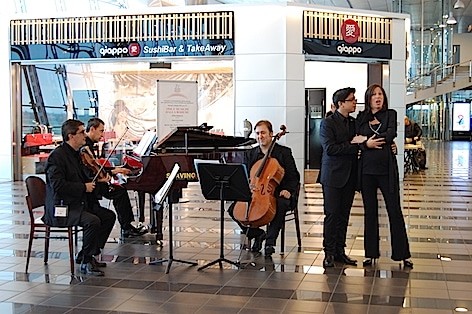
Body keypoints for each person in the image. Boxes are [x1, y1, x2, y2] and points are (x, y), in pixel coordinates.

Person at [43, 119, 116, 276]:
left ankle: (87, 253)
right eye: (82, 132)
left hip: (77, 203)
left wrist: (98, 181)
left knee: (108, 216)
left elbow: (84, 178)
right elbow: (58, 186)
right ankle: (86, 262)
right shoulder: (57, 157)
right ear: (71, 136)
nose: (85, 135)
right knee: (93, 221)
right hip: (61, 207)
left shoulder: (77, 154)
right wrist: (84, 187)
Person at [319, 87, 379, 268]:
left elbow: (364, 138)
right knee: (332, 215)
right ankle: (328, 252)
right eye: (352, 100)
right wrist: (356, 146)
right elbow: (330, 149)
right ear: (340, 104)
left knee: (344, 215)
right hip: (332, 177)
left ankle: (340, 251)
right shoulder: (327, 123)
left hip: (350, 176)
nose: (355, 102)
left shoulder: (353, 123)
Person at [356, 84, 413, 269]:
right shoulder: (361, 117)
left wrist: (368, 139)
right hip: (367, 171)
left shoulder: (391, 114)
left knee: (394, 210)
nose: (378, 97)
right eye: (374, 95)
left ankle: (402, 254)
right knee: (370, 212)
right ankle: (370, 253)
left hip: (387, 169)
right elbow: (357, 138)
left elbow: (391, 134)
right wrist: (366, 143)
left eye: (380, 94)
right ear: (369, 98)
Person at [228, 120, 300, 257]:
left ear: (271, 134)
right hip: (257, 191)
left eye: (263, 133)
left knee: (280, 203)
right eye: (257, 133)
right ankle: (258, 234)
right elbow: (245, 175)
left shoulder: (284, 152)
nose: (260, 136)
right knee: (233, 209)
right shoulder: (251, 153)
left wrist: (289, 191)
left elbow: (293, 177)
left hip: (280, 191)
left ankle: (270, 242)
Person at [84, 118, 147, 238]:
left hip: (94, 178)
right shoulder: (85, 147)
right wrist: (114, 170)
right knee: (119, 191)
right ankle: (126, 227)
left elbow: (95, 167)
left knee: (119, 190)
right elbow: (90, 170)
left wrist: (114, 170)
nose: (102, 135)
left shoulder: (89, 145)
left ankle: (127, 225)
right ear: (92, 129)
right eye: (101, 131)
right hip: (90, 183)